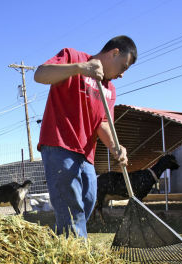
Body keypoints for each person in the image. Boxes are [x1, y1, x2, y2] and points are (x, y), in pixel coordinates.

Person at [34, 35, 137, 238]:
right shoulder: (73, 56)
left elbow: (103, 123)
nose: (122, 74)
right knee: (71, 207)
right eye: (123, 67)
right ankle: (78, 257)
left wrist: (116, 146)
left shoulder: (110, 89)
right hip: (60, 144)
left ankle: (59, 242)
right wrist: (79, 68)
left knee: (88, 201)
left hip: (86, 154)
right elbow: (40, 75)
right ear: (114, 53)